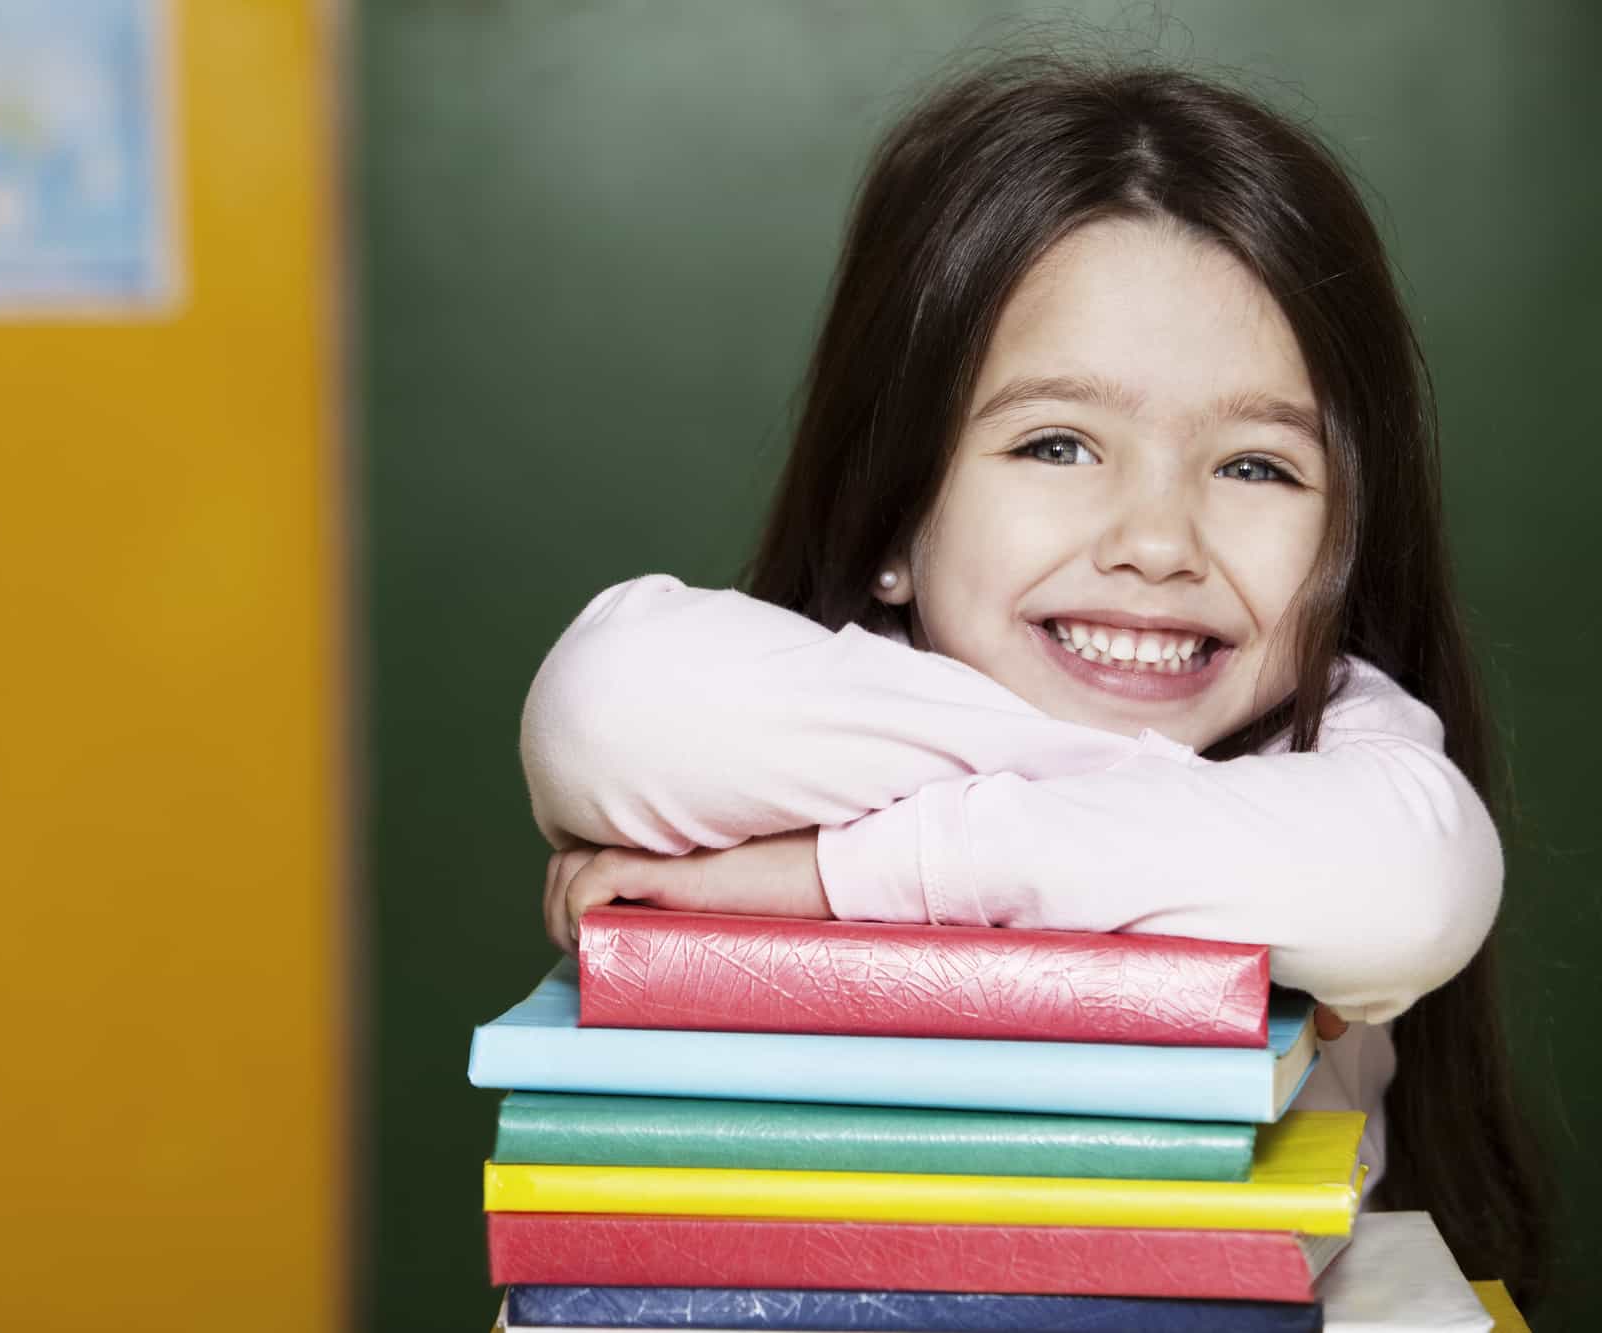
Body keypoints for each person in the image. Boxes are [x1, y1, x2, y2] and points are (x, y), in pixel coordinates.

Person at [518, 56, 1548, 1308]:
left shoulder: (1326, 744)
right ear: (893, 516)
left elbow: (1405, 885)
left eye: (1257, 467)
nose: (1157, 540)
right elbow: (609, 704)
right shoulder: (828, 693)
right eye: (1054, 443)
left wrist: (834, 878)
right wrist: (1083, 796)